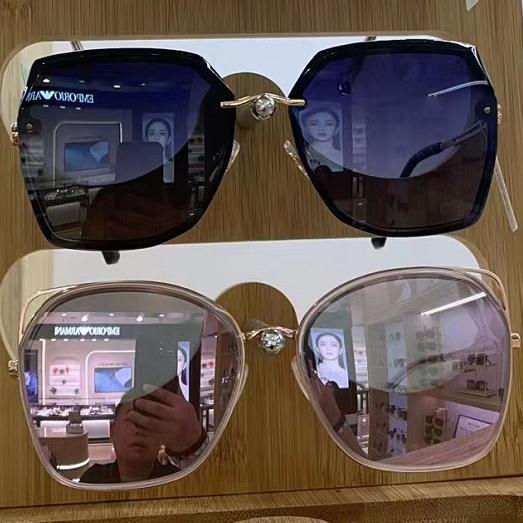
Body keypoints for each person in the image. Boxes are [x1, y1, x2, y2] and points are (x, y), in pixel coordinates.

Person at [80, 386, 205, 483]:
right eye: (132, 419)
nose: (139, 431)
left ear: (161, 438)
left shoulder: (176, 479)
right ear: (112, 431)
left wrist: (194, 444)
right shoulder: (92, 480)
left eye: (148, 422)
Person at [302, 107, 344, 172]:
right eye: (314, 124)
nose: (321, 128)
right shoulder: (302, 154)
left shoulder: (343, 157)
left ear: (337, 129)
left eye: (328, 124)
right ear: (305, 128)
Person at [144, 117, 175, 183]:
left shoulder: (175, 168)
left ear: (168, 140)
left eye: (162, 133)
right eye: (152, 133)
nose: (156, 138)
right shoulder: (139, 167)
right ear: (146, 139)